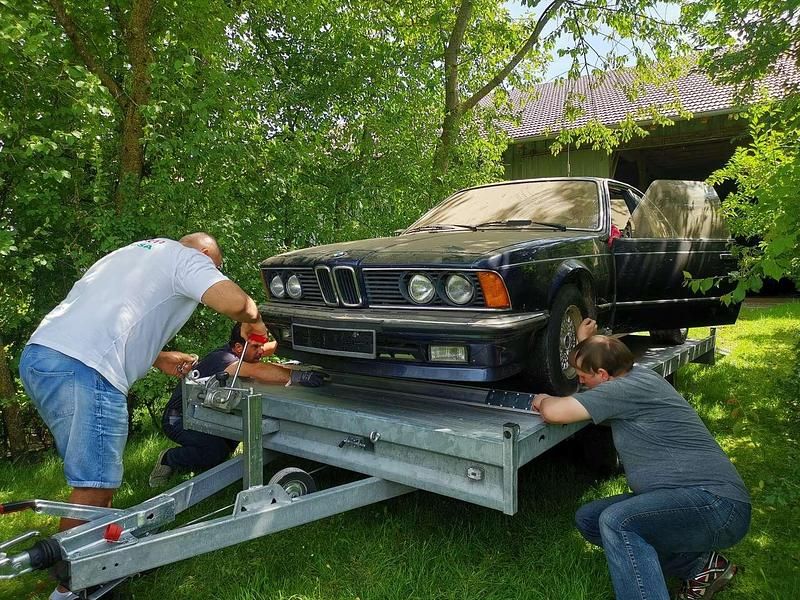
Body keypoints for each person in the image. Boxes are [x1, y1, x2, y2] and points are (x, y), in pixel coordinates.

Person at [18, 233, 268, 600]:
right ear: (204, 256)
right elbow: (236, 303)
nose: (209, 273)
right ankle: (70, 589)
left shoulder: (129, 254)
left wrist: (157, 356)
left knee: (96, 479)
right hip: (85, 370)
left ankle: (96, 561)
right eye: (212, 267)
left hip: (44, 357)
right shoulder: (186, 257)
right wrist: (255, 321)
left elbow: (107, 319)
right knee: (94, 485)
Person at [532, 319, 750, 600]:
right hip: (701, 501)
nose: (579, 380)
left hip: (717, 505)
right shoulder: (635, 378)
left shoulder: (621, 391)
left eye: (582, 375)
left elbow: (556, 413)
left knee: (618, 522)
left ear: (602, 374)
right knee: (590, 519)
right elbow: (599, 367)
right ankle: (703, 567)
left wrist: (541, 400)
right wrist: (585, 343)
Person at [149, 323, 325, 487]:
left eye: (260, 346)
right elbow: (257, 370)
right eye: (256, 347)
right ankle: (169, 459)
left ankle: (209, 449)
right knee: (215, 453)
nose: (261, 351)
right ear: (238, 347)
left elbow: (268, 348)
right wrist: (298, 377)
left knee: (229, 439)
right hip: (179, 417)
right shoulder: (225, 359)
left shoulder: (242, 350)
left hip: (203, 411)